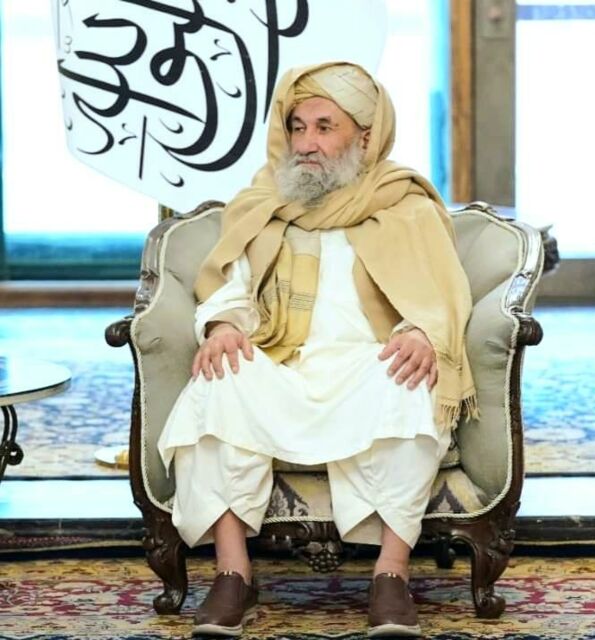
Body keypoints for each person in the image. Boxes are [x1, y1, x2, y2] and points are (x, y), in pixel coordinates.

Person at [158, 61, 477, 638]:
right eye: (297, 126)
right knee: (217, 379)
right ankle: (233, 574)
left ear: (365, 136)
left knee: (412, 385)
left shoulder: (405, 205)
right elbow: (229, 284)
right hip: (278, 362)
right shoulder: (264, 201)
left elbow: (440, 293)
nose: (306, 143)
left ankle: (391, 575)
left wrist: (419, 331)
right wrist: (224, 324)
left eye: (325, 127)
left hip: (366, 364)